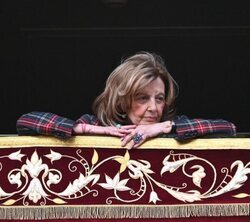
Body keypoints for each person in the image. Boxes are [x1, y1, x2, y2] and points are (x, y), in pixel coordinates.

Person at [16, 51, 236, 149]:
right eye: (142, 98)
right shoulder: (95, 124)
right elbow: (26, 121)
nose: (153, 107)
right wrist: (88, 131)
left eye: (159, 98)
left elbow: (228, 128)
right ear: (122, 100)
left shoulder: (174, 127)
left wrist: (165, 127)